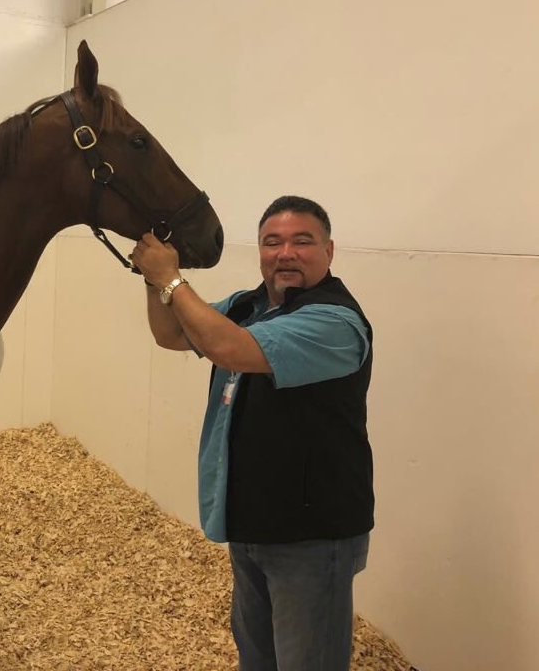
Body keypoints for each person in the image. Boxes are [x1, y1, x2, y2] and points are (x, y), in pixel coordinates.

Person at [131, 196, 373, 671]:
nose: (286, 253)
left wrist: (171, 279)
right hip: (251, 523)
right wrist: (151, 278)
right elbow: (172, 334)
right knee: (257, 658)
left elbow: (227, 347)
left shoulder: (334, 321)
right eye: (272, 242)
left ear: (329, 251)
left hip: (311, 536)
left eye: (302, 241)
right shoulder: (249, 305)